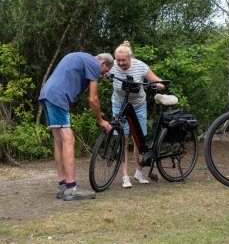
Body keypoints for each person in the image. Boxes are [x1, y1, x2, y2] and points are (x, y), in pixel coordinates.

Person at [39, 52, 114, 201]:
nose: (102, 75)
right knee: (69, 140)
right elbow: (93, 99)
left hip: (47, 94)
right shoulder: (94, 64)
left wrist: (99, 74)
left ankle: (63, 185)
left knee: (59, 141)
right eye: (105, 71)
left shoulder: (80, 56)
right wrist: (100, 120)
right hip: (59, 97)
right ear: (103, 62)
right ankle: (71, 188)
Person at [111, 41, 165, 188]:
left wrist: (160, 84)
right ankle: (125, 176)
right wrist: (103, 74)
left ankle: (139, 173)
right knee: (123, 138)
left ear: (130, 58)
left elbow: (154, 79)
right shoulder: (113, 65)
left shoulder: (140, 66)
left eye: (123, 60)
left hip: (138, 106)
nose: (120, 63)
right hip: (119, 104)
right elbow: (101, 69)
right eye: (118, 60)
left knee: (138, 140)